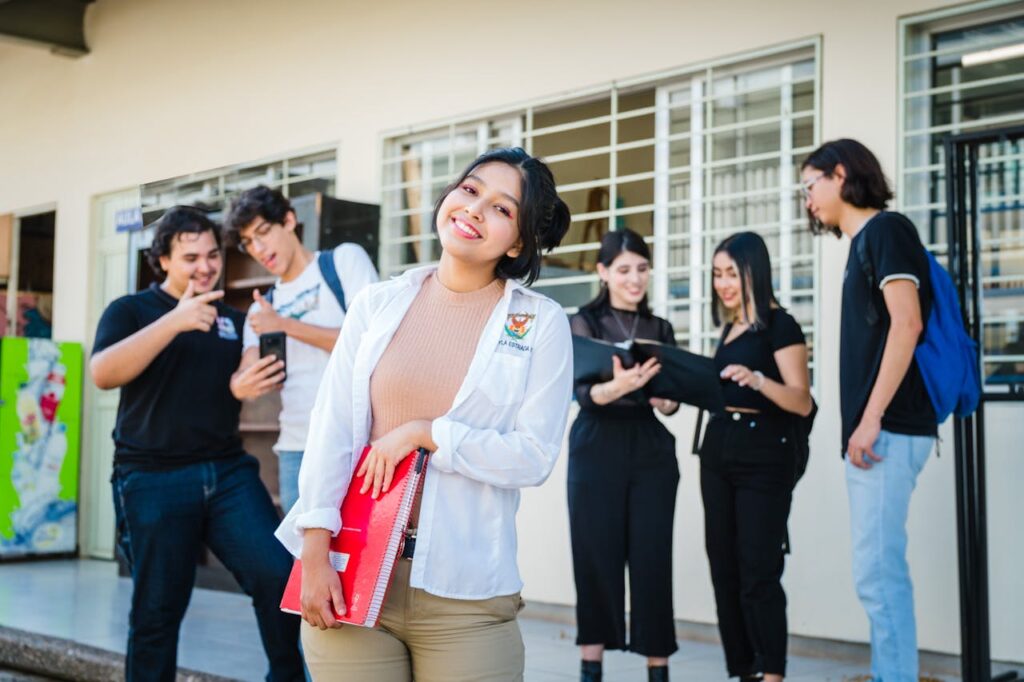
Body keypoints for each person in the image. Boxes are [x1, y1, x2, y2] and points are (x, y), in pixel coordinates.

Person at [275, 147, 573, 681]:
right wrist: (313, 554)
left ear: (521, 241)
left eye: (503, 209)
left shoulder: (539, 323)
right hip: (354, 570)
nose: (475, 209)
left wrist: (428, 434)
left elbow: (533, 457)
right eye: (470, 189)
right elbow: (332, 431)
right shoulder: (377, 303)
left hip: (467, 594)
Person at [90, 206, 302, 682]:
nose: (205, 266)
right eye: (190, 257)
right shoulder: (131, 311)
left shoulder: (231, 318)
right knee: (157, 611)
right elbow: (102, 373)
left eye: (211, 255)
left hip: (226, 473)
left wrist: (242, 388)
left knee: (279, 579)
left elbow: (237, 382)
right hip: (151, 477)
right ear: (162, 260)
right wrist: (176, 320)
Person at [802, 138, 937, 682]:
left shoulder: (887, 231)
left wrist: (872, 417)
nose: (807, 199)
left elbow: (907, 324)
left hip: (890, 429)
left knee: (879, 575)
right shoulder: (864, 244)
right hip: (880, 430)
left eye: (810, 185)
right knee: (876, 573)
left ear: (839, 175)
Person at [566, 228, 680, 682]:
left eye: (642, 269)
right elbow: (582, 393)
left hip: (650, 448)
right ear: (603, 272)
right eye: (624, 270)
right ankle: (591, 666)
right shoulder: (583, 323)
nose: (635, 279)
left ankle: (658, 668)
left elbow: (673, 397)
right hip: (596, 445)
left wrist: (664, 399)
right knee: (595, 555)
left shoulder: (661, 328)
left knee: (653, 557)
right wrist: (620, 387)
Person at [698, 231, 813, 682]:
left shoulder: (780, 325)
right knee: (723, 566)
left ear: (755, 273)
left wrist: (759, 380)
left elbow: (801, 401)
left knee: (758, 569)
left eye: (732, 273)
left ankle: (773, 673)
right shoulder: (730, 328)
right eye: (717, 274)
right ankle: (743, 669)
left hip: (764, 455)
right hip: (719, 448)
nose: (723, 284)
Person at [225, 185, 378, 513]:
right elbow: (243, 375)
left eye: (263, 232)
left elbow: (369, 342)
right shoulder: (262, 307)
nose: (258, 247)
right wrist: (243, 384)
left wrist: (284, 325)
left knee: (364, 559)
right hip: (297, 448)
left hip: (356, 441)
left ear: (290, 220)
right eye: (249, 242)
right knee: (304, 562)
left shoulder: (343, 261)